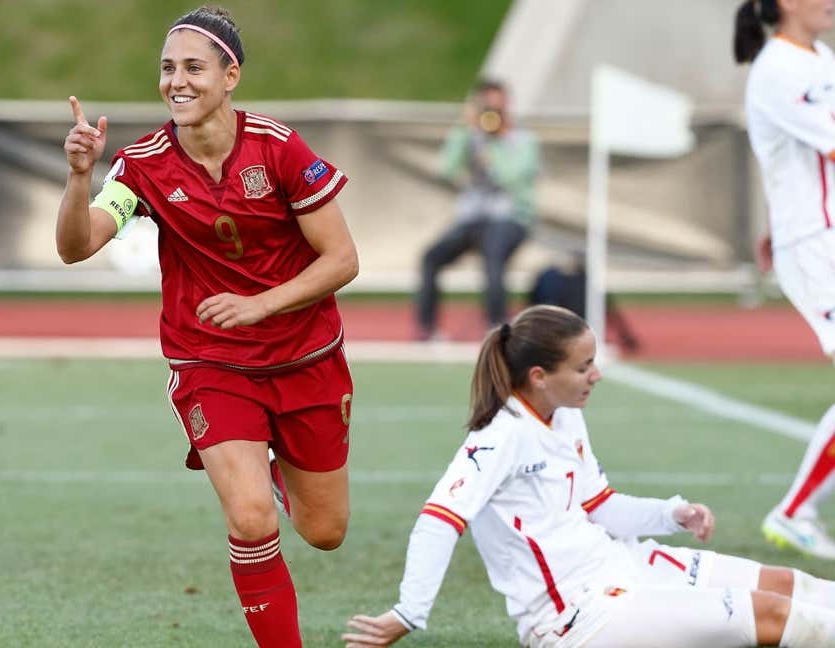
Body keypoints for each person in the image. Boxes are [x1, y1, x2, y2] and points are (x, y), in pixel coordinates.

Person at [55, 6, 359, 645]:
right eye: (168, 69)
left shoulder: (279, 149)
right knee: (250, 520)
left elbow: (343, 259)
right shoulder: (142, 166)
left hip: (305, 357)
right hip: (211, 363)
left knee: (325, 531)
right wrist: (80, 177)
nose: (177, 81)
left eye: (194, 67)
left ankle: (275, 464)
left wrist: (262, 304)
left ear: (231, 77)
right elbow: (76, 247)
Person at [345, 306, 835, 647]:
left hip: (624, 563)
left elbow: (599, 505)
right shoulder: (499, 437)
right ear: (538, 375)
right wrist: (410, 611)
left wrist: (670, 513)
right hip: (578, 618)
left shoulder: (564, 414)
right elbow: (439, 520)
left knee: (795, 586)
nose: (596, 374)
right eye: (584, 367)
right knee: (772, 614)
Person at [735, 0, 835, 559]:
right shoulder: (776, 68)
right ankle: (794, 513)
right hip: (818, 247)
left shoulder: (821, 58)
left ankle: (796, 511)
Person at [415, 79, 539, 340]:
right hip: (474, 217)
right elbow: (446, 171)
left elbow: (513, 179)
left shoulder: (523, 140)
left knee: (492, 254)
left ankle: (497, 328)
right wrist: (463, 131)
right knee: (430, 258)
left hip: (510, 217)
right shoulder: (471, 136)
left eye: (497, 107)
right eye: (487, 107)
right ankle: (427, 330)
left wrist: (493, 149)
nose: (492, 114)